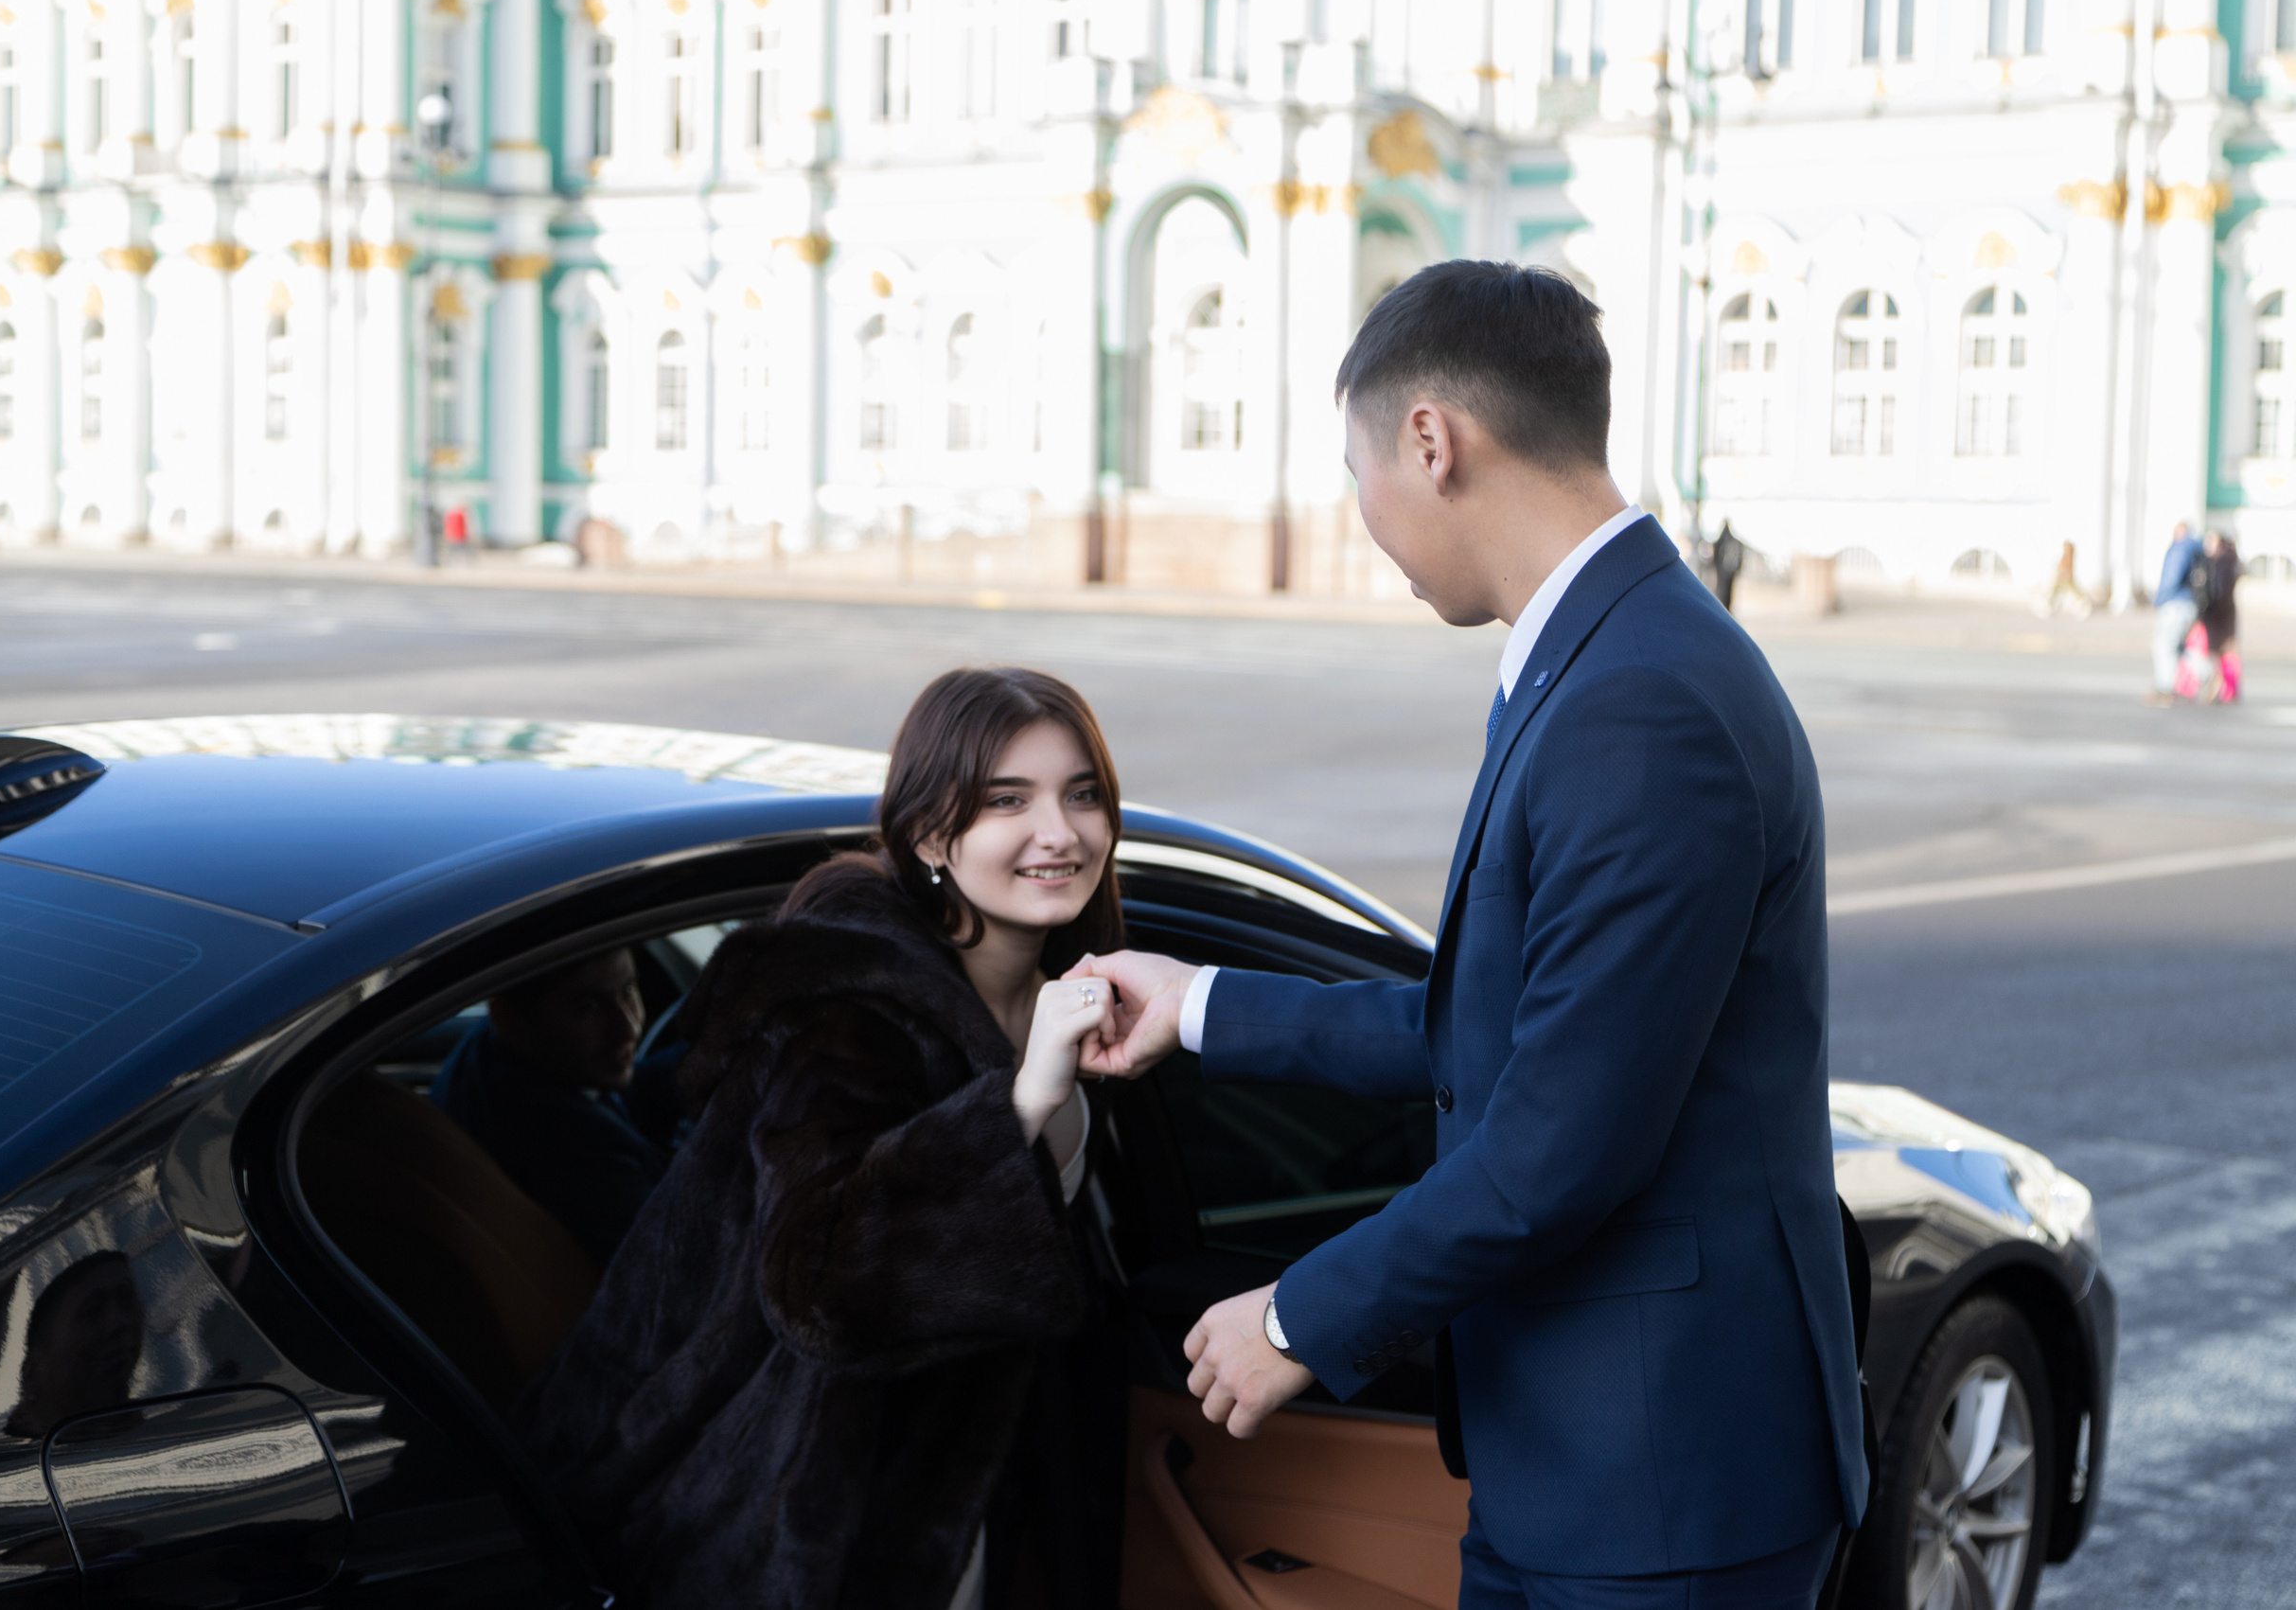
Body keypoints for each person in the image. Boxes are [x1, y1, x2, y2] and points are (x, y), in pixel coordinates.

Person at [1075, 261, 1868, 1609]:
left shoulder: (1642, 700)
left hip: (1661, 1484)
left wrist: (1295, 1318)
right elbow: (1484, 1025)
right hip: (1589, 1459)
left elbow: (1562, 1141)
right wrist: (1198, 999)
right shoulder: (1606, 653)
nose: (1366, 514)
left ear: (1432, 439)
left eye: (1359, 468)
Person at [519, 667, 1123, 1610]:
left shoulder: (1085, 1004)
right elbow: (818, 1286)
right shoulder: (845, 1017)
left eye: (1082, 794)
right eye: (1009, 801)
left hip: (990, 1495)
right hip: (819, 1516)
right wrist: (1015, 1105)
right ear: (931, 833)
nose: (1060, 831)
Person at [430, 947, 672, 1269]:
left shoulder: (493, 1055)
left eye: (628, 990)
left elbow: (618, 1097)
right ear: (510, 1018)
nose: (627, 1027)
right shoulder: (578, 1152)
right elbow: (681, 1266)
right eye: (587, 1008)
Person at [2149, 522, 2202, 704]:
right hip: (2189, 603)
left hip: (2176, 603)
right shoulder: (2196, 549)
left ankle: (2165, 687)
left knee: (2165, 646)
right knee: (2179, 647)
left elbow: (2172, 577)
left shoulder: (2180, 549)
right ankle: (2206, 672)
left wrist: (2159, 598)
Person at [2197, 528, 2243, 703]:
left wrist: (2208, 610)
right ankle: (2224, 689)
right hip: (2221, 616)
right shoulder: (2221, 562)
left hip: (2219, 617)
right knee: (2221, 654)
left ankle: (2221, 688)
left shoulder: (2224, 563)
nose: (2208, 545)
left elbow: (2221, 593)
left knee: (2219, 654)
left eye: (2211, 541)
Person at [1711, 519, 1746, 611]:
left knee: (1723, 593)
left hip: (1725, 572)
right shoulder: (1732, 541)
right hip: (1727, 572)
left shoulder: (1723, 540)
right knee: (1725, 593)